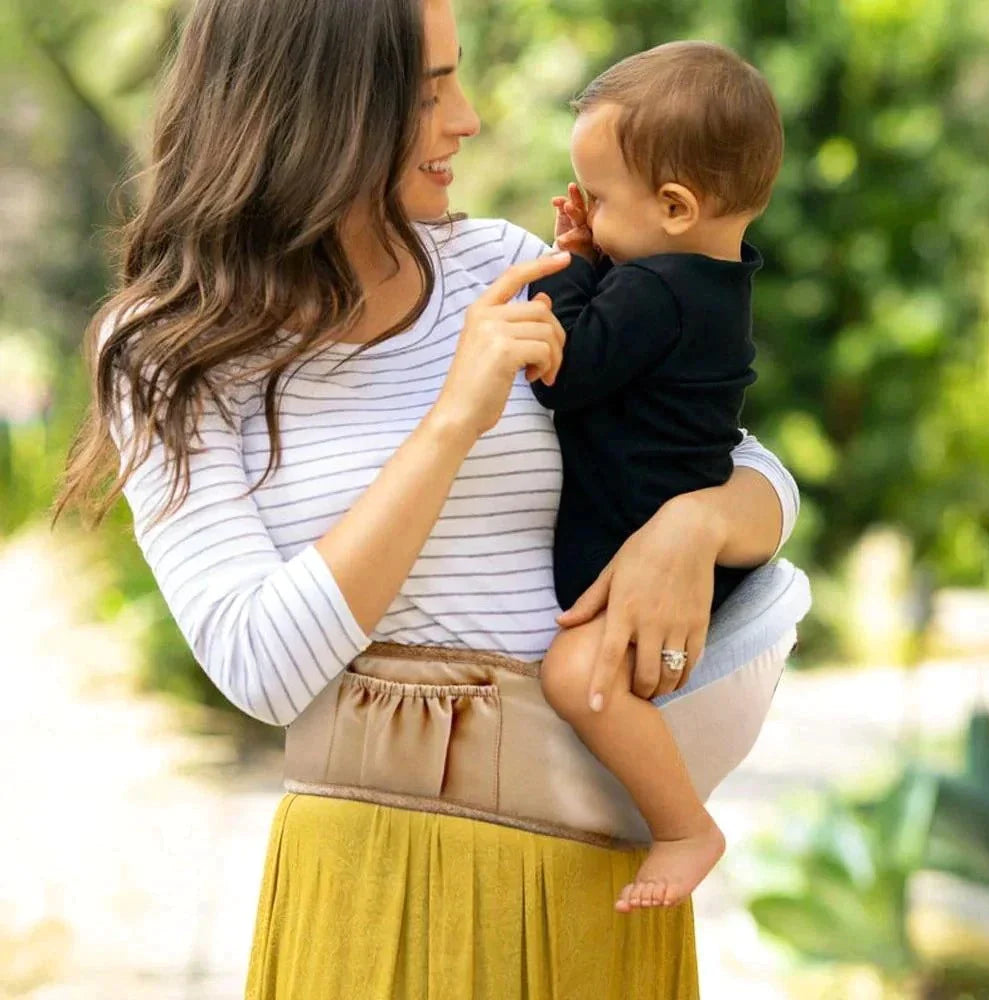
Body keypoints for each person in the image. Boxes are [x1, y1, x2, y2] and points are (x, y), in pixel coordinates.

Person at [51, 1, 801, 997]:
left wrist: (694, 523)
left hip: (592, 863)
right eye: (430, 89)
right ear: (322, 102)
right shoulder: (161, 351)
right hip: (369, 882)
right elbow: (259, 667)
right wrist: (451, 422)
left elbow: (746, 469)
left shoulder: (507, 266)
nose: (468, 119)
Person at [525, 42, 784, 913]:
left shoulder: (658, 292)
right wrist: (599, 250)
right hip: (665, 531)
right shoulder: (713, 283)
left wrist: (569, 265)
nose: (586, 216)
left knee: (575, 677)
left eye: (597, 200)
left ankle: (682, 828)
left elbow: (563, 371)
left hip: (634, 541)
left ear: (675, 207)